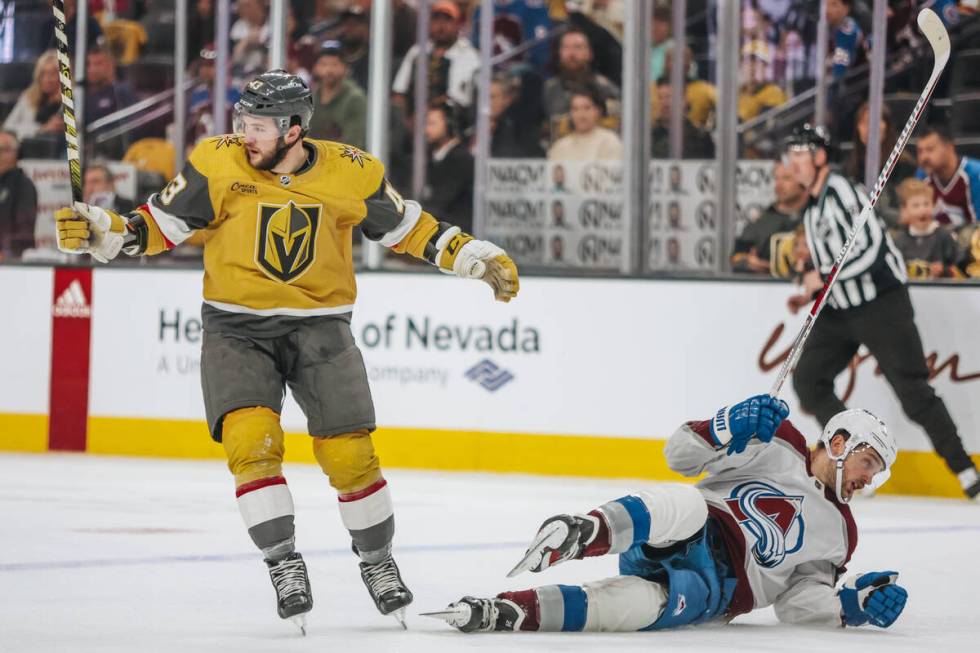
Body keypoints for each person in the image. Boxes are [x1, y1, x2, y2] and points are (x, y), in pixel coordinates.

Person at [53, 69, 519, 631]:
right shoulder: (215, 161)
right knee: (252, 444)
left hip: (321, 327)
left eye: (260, 126)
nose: (246, 134)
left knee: (351, 456)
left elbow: (408, 228)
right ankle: (283, 563)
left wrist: (470, 255)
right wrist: (106, 232)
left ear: (295, 130)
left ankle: (377, 561)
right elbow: (158, 225)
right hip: (236, 328)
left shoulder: (353, 170)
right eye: (242, 122)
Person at [426, 397, 910, 634]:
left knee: (638, 608)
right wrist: (725, 425)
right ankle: (584, 532)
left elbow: (796, 603)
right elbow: (679, 456)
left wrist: (850, 607)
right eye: (871, 463)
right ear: (841, 443)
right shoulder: (775, 436)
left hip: (720, 593)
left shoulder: (842, 534)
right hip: (697, 527)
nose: (870, 478)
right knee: (686, 503)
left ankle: (516, 611)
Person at [782, 124, 980, 501]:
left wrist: (821, 277)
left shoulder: (842, 191)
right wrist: (813, 287)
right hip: (839, 309)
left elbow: (870, 249)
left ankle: (966, 471)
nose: (792, 164)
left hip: (881, 303)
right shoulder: (812, 205)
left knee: (914, 394)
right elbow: (830, 259)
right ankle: (853, 460)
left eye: (799, 155)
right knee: (809, 380)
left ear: (820, 157)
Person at [392, 2, 480, 114]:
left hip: (451, 117)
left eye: (447, 20)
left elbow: (458, 100)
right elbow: (399, 92)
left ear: (457, 24)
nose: (441, 26)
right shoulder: (417, 51)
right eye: (436, 20)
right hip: (414, 118)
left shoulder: (468, 55)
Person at [844, 101, 917, 229]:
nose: (868, 128)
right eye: (863, 123)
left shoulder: (904, 165)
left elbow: (907, 211)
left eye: (874, 122)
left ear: (887, 126)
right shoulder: (849, 166)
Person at [542, 28, 621, 142]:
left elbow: (616, 126)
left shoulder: (606, 88)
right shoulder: (548, 89)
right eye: (566, 47)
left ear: (589, 54)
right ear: (559, 53)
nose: (571, 54)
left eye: (577, 47)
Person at [731, 159, 807, 274]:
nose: (778, 185)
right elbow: (736, 258)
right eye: (776, 178)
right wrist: (748, 262)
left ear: (804, 180)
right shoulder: (761, 222)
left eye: (786, 178)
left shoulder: (818, 215)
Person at [892, 178, 962, 279]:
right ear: (904, 210)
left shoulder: (944, 235)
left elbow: (957, 268)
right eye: (916, 206)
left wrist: (943, 271)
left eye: (926, 204)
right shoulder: (899, 240)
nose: (923, 210)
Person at [915, 124, 980, 230]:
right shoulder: (923, 174)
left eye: (930, 149)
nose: (923, 157)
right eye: (920, 151)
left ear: (950, 147)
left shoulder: (975, 174)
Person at [422, 103, 474, 233]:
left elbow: (440, 201)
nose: (426, 130)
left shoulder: (461, 159)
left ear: (451, 125)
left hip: (457, 236)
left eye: (431, 123)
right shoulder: (430, 156)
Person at [307, 43, 367, 149]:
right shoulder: (310, 98)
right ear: (315, 68)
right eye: (324, 64)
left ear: (345, 68)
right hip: (315, 159)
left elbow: (354, 143)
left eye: (334, 64)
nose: (329, 70)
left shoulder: (355, 99)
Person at [84, 47, 138, 159]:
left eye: (98, 64)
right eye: (88, 64)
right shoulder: (80, 94)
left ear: (111, 65)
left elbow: (134, 125)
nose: (92, 69)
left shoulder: (122, 92)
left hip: (114, 154)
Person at [547, 84, 623, 162]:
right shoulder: (560, 146)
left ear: (599, 110)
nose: (581, 115)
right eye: (575, 109)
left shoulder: (610, 142)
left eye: (587, 108)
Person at [2, 51, 64, 143]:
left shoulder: (69, 100)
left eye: (52, 74)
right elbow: (8, 127)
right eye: (43, 74)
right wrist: (41, 129)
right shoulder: (28, 97)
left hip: (58, 151)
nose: (47, 79)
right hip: (27, 149)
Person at [650, 78, 715, 160]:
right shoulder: (649, 137)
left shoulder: (700, 137)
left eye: (669, 97)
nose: (664, 103)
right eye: (660, 98)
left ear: (684, 100)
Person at [0, 131, 39, 260]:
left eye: (3, 149)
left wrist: (6, 254)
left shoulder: (23, 185)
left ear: (16, 153)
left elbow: (24, 229)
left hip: (12, 262)